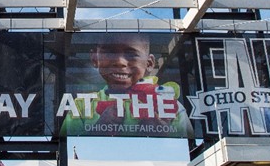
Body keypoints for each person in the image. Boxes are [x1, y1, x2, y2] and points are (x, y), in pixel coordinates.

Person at [60, 34, 193, 137]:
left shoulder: (168, 105)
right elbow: (69, 150)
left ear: (150, 63)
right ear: (95, 59)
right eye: (109, 52)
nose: (120, 62)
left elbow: (189, 154)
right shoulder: (81, 106)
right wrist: (98, 129)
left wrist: (161, 133)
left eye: (131, 54)